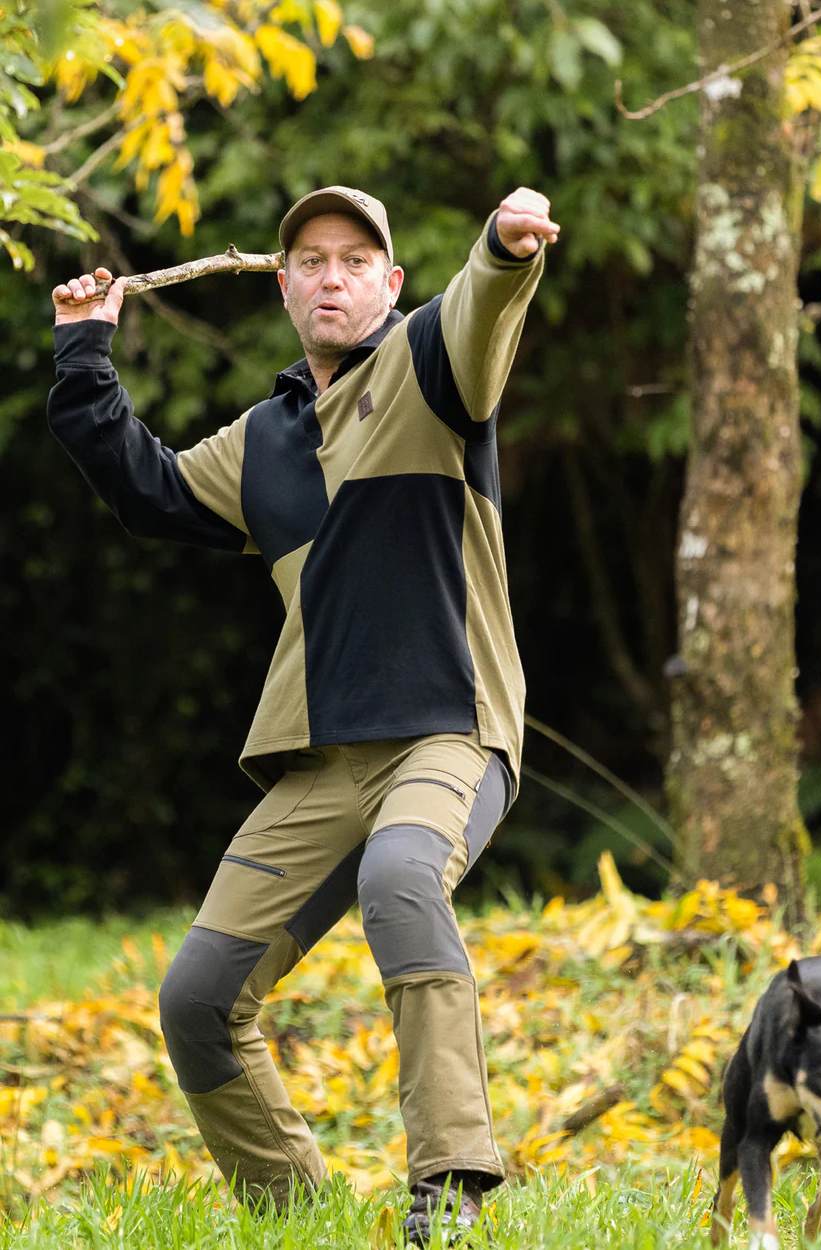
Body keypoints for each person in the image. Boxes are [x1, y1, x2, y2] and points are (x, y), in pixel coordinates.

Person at [48, 184, 559, 1243]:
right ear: (282, 286)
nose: (332, 277)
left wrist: (506, 244)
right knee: (196, 999)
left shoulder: (434, 365)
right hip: (323, 760)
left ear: (390, 282)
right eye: (312, 262)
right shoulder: (262, 442)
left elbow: (484, 300)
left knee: (402, 877)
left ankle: (450, 1188)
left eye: (354, 260)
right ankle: (296, 1216)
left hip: (449, 728)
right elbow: (150, 493)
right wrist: (86, 357)